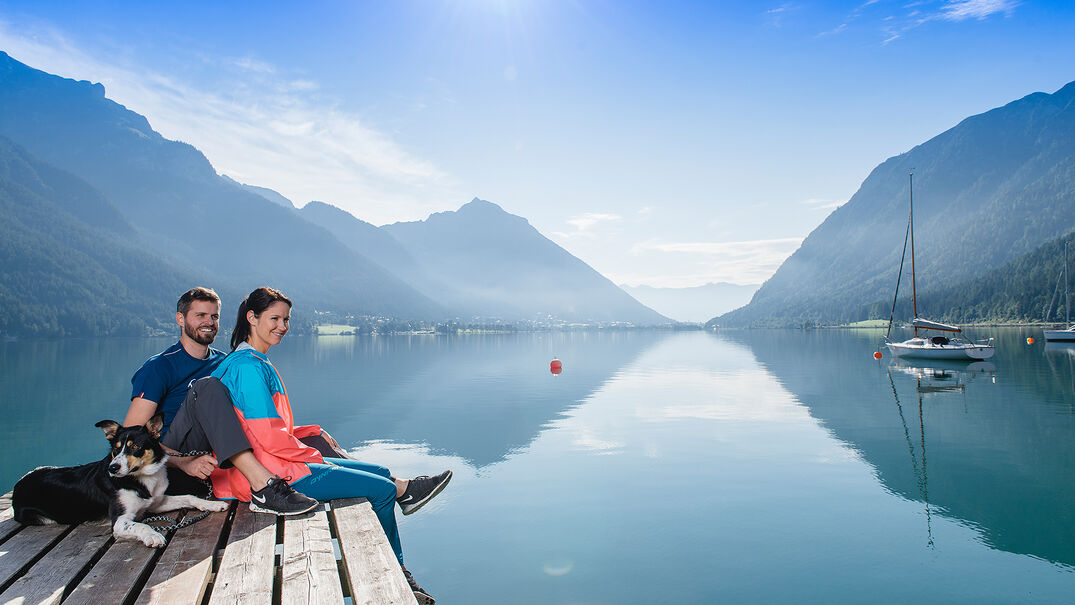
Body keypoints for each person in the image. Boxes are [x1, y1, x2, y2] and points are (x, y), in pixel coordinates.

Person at [209, 287, 448, 604]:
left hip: (278, 462)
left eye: (286, 319)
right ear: (252, 318)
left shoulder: (246, 361)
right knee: (383, 490)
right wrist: (315, 457)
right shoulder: (248, 368)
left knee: (379, 470)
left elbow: (258, 427)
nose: (282, 326)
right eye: (275, 319)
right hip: (278, 476)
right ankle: (397, 572)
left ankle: (408, 495)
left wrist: (313, 431)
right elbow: (268, 436)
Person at [125, 287, 319, 515]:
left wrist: (308, 432)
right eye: (200, 315)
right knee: (206, 386)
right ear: (180, 319)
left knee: (316, 441)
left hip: (216, 465)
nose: (209, 322)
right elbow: (131, 437)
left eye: (214, 316)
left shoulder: (224, 362)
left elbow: (243, 421)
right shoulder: (159, 367)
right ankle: (262, 487)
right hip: (170, 467)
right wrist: (183, 462)